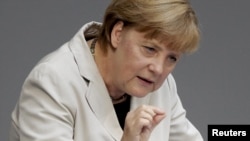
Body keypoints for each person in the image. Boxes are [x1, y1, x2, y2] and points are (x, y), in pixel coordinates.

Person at [9, 0, 204, 141]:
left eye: (172, 58)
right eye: (150, 49)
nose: (159, 69)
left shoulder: (161, 86)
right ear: (117, 34)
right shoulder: (52, 82)